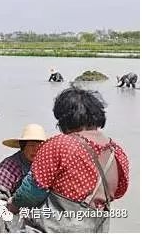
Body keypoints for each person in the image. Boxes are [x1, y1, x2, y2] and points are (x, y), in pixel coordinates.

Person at [7, 87, 129, 232]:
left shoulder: (60, 144)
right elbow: (120, 191)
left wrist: (11, 206)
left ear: (65, 120)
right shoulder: (117, 152)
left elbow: (31, 192)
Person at [0, 124, 47, 195]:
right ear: (23, 146)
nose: (35, 150)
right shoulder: (7, 168)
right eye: (32, 145)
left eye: (39, 146)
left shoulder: (46, 165)